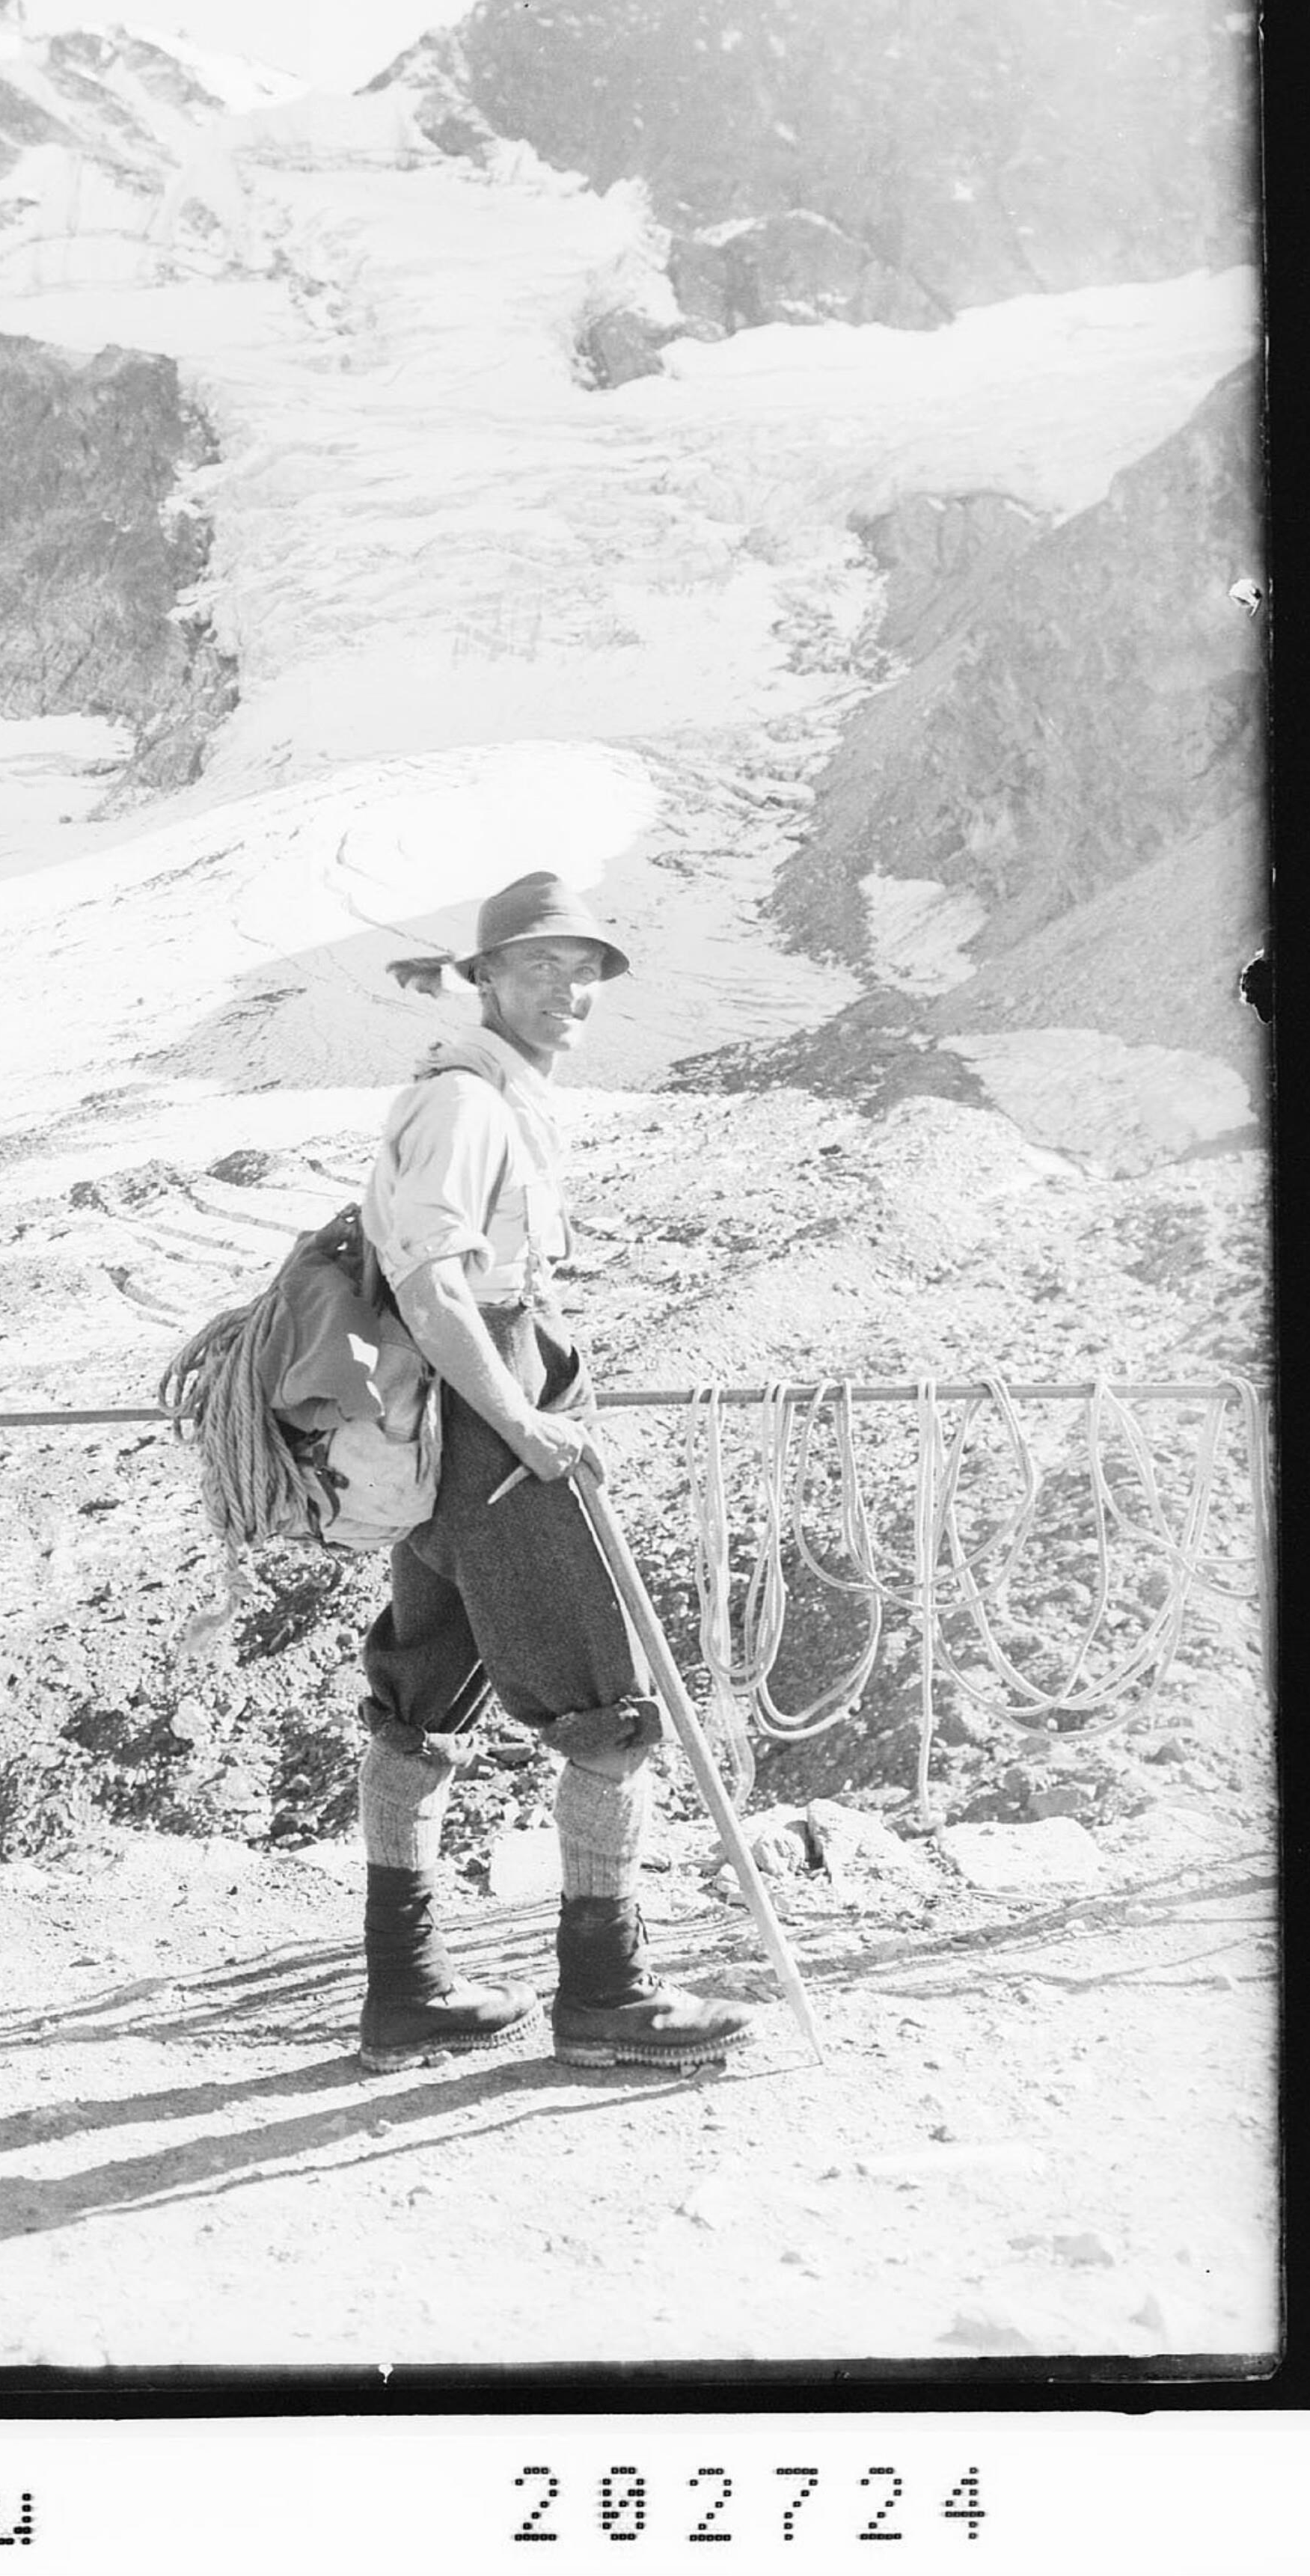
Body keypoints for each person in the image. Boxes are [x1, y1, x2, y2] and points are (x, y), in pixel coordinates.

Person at [352, 870, 751, 2076]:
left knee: (423, 1688)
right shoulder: (471, 1104)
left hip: (464, 1428)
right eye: (541, 966)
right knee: (603, 1702)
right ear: (486, 979)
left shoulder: (492, 1096)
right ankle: (606, 1993)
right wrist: (523, 1421)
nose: (570, 989)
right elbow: (433, 1286)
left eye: (584, 970)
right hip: (492, 1430)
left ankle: (407, 1990)